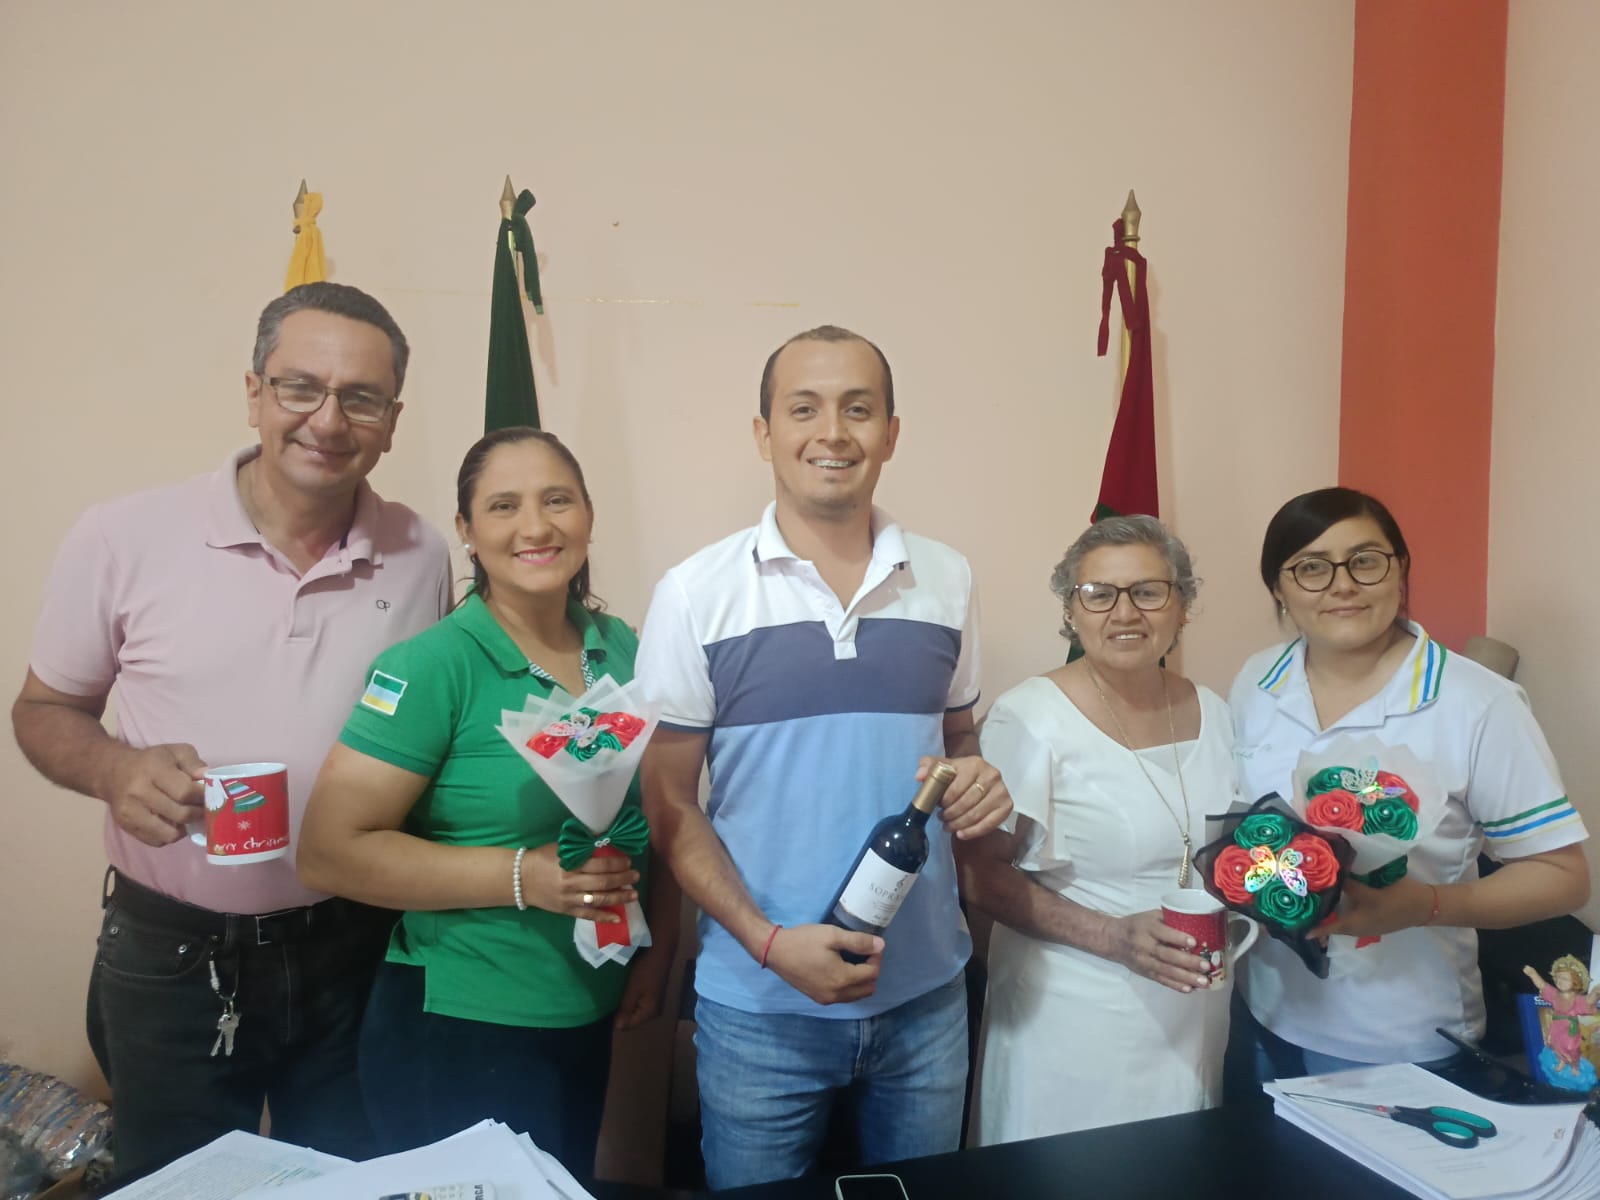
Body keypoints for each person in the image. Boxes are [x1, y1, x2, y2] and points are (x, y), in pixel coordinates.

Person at [10, 283, 452, 1179]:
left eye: (360, 398)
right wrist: (114, 770)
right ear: (254, 392)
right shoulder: (123, 536)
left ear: (392, 422)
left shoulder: (421, 553)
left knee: (352, 1183)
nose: (327, 420)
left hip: (356, 946)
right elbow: (42, 711)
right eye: (301, 387)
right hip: (172, 957)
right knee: (178, 1187)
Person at [636, 326, 1013, 1190]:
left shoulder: (947, 578)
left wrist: (977, 779)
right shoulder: (696, 593)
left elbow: (957, 742)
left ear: (891, 433)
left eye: (858, 409)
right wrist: (767, 943)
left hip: (926, 997)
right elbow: (669, 804)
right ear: (763, 432)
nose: (832, 433)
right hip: (758, 1005)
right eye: (803, 409)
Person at [297, 426, 676, 1175]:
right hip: (461, 1028)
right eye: (504, 506)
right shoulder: (432, 666)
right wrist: (524, 877)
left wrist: (653, 957)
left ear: (589, 515)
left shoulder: (626, 650)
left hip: (588, 1009)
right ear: (467, 531)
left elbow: (662, 819)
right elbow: (328, 852)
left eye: (557, 500)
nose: (535, 526)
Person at [1230, 486, 1589, 1078]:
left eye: (1365, 561)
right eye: (1312, 568)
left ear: (1400, 570)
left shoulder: (1478, 704)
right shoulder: (1257, 680)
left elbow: (1562, 878)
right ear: (1279, 588)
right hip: (1262, 1008)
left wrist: (1423, 905)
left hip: (1398, 1041)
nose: (1342, 585)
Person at [958, 516, 1235, 1144]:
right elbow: (976, 873)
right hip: (1069, 1019)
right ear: (1071, 610)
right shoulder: (1029, 717)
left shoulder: (1215, 713)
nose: (1124, 612)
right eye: (1098, 594)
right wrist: (1112, 937)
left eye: (1148, 591)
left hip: (1193, 1017)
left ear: (1182, 605)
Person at [1523, 956, 1600, 1082]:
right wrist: (1532, 974)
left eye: (1565, 979)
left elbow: (1588, 1001)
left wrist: (1596, 992)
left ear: (1575, 982)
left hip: (1570, 1029)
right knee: (1556, 1046)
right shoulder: (1554, 994)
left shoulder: (1577, 999)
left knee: (1571, 1048)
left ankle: (1575, 1066)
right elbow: (1542, 985)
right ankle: (1562, 1061)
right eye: (1558, 977)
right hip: (1556, 1027)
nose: (1560, 981)